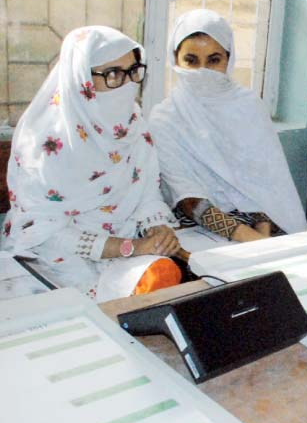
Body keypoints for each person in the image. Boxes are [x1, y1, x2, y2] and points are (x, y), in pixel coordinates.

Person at [2, 26, 183, 301]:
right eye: (112, 74)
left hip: (125, 242)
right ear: (81, 79)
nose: (127, 84)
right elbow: (43, 233)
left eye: (134, 70)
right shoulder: (43, 141)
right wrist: (129, 247)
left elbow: (147, 192)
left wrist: (157, 227)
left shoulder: (132, 126)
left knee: (165, 279)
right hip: (53, 255)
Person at [149, 9, 307, 242]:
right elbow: (187, 198)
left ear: (229, 59)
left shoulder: (248, 105)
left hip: (261, 221)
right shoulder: (164, 118)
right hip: (198, 224)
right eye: (191, 61)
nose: (202, 71)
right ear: (175, 59)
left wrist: (263, 233)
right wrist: (250, 240)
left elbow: (266, 182)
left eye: (214, 60)